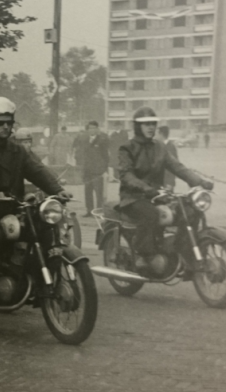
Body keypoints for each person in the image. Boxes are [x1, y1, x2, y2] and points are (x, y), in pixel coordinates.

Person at [0, 97, 71, 300]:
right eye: (0, 123)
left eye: (9, 122)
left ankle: (36, 281)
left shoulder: (17, 151)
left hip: (14, 209)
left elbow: (37, 171)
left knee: (42, 230)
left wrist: (57, 190)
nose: (5, 127)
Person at [117, 107, 213, 270]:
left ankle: (181, 249)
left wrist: (199, 182)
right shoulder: (127, 148)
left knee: (190, 211)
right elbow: (126, 175)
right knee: (151, 214)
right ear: (137, 126)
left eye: (153, 124)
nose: (151, 127)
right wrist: (145, 188)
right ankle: (144, 256)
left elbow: (177, 167)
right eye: (146, 124)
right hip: (133, 198)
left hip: (157, 196)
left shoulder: (160, 147)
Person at [77, 121, 110, 217]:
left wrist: (104, 169)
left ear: (97, 129)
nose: (92, 130)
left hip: (98, 171)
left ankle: (99, 211)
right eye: (90, 128)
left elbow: (106, 156)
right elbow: (81, 154)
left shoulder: (102, 140)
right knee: (88, 191)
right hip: (87, 171)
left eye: (94, 128)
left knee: (99, 192)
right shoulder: (84, 140)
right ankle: (89, 211)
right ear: (87, 130)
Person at [156, 125, 179, 190]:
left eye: (157, 134)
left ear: (161, 134)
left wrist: (170, 183)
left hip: (167, 184)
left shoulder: (171, 147)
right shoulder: (159, 146)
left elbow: (174, 166)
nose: (155, 136)